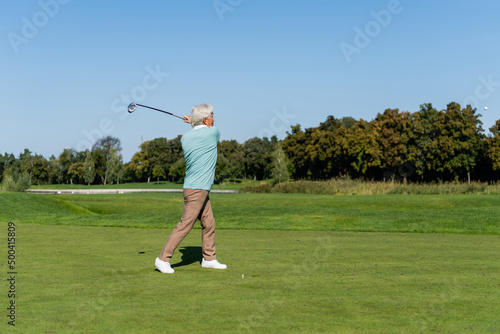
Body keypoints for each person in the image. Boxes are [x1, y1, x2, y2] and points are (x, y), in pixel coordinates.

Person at [155, 104, 227, 274]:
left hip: (194, 187)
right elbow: (209, 130)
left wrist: (193, 124)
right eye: (211, 116)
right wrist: (193, 123)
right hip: (198, 189)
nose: (214, 119)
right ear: (205, 119)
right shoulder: (213, 133)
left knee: (209, 223)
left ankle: (209, 258)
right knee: (185, 224)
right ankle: (163, 259)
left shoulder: (185, 138)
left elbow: (198, 130)